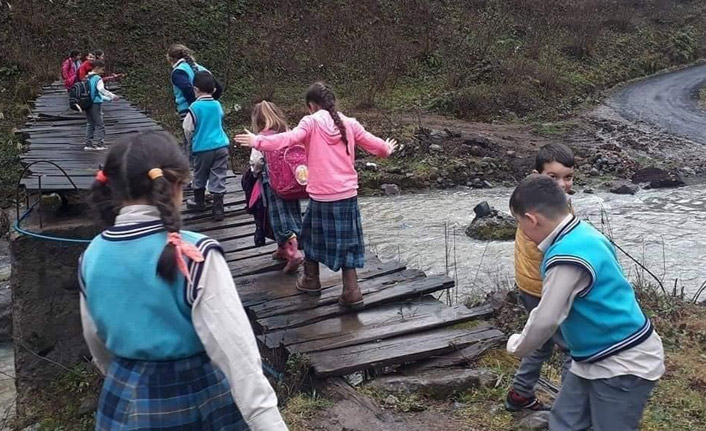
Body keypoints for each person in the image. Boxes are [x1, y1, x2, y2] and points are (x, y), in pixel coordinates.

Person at [79, 131, 288, 431]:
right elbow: (235, 351)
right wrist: (268, 422)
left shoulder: (91, 255)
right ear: (175, 185)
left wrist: (126, 376)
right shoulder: (195, 254)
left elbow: (95, 340)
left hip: (121, 400)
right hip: (194, 398)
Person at [507, 174, 664, 431]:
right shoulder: (583, 232)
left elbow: (546, 319)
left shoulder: (566, 257)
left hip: (622, 362)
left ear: (532, 219)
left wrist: (518, 346)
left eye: (519, 222)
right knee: (565, 423)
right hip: (591, 358)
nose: (522, 230)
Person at [235, 82, 397, 308]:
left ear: (311, 106)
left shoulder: (310, 122)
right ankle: (352, 291)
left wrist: (258, 141)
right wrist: (387, 148)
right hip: (347, 194)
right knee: (348, 242)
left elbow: (287, 140)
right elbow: (377, 147)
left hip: (322, 196)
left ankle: (311, 280)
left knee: (309, 236)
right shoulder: (349, 123)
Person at [507, 143, 575, 411]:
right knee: (572, 347)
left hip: (530, 285)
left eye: (567, 177)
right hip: (544, 287)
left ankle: (520, 393)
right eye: (553, 177)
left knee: (540, 342)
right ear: (537, 176)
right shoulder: (540, 212)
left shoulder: (534, 200)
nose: (562, 184)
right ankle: (570, 410)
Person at [249, 100, 304, 274]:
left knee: (278, 217)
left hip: (272, 184)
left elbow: (256, 162)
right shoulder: (288, 133)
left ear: (257, 121)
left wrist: (254, 172)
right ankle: (283, 249)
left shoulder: (261, 138)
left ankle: (293, 253)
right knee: (292, 214)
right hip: (292, 184)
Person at [182, 71, 229, 221]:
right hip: (221, 145)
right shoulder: (217, 104)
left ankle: (199, 201)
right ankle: (218, 207)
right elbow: (220, 118)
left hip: (203, 147)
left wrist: (191, 140)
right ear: (214, 90)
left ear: (195, 89)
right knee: (219, 174)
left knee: (200, 173)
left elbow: (187, 127)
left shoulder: (195, 107)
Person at [167, 44, 222, 121]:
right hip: (210, 110)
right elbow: (218, 88)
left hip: (189, 111)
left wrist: (196, 106)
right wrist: (209, 102)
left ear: (171, 59)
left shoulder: (178, 72)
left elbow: (187, 89)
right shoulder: (203, 69)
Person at [84, 60, 119, 151]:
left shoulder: (88, 77)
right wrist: (112, 96)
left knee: (90, 123)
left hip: (87, 103)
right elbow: (101, 90)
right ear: (97, 68)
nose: (103, 72)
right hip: (95, 104)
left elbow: (94, 93)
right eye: (102, 70)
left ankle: (88, 143)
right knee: (100, 124)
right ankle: (100, 143)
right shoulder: (97, 78)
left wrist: (108, 99)